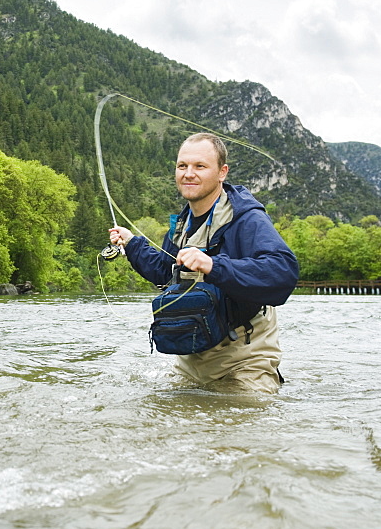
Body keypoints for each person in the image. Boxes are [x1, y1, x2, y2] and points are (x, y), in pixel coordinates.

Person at [108, 132, 299, 393]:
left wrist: (213, 265)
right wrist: (132, 244)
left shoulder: (246, 218)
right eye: (182, 166)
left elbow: (283, 273)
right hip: (191, 363)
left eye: (200, 166)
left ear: (222, 172)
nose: (188, 173)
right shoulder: (182, 224)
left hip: (245, 363)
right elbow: (166, 273)